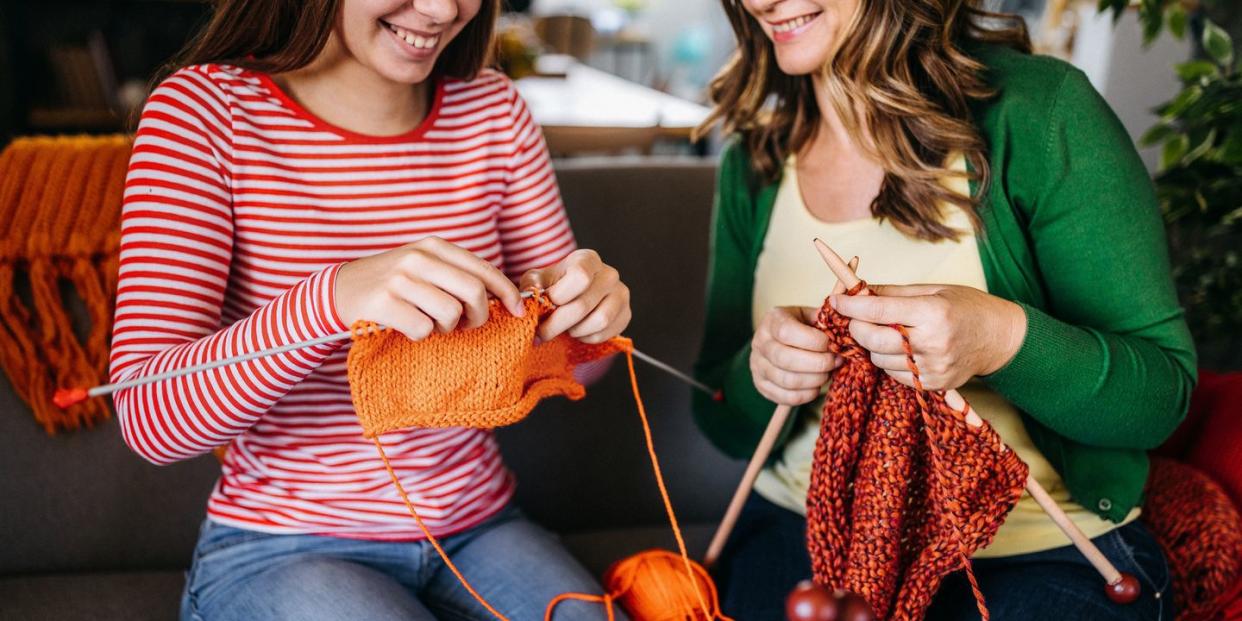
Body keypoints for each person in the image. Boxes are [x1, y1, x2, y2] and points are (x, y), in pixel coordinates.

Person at [109, 1, 632, 619]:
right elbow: (148, 418)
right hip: (284, 548)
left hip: (480, 527)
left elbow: (577, 369)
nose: (441, 9)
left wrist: (587, 326)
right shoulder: (204, 112)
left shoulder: (493, 110)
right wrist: (330, 300)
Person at [691, 0, 1195, 619]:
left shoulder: (1042, 113)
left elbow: (1158, 400)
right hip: (797, 539)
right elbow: (717, 419)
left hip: (1036, 550)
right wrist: (762, 372)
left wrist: (1002, 340)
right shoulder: (756, 158)